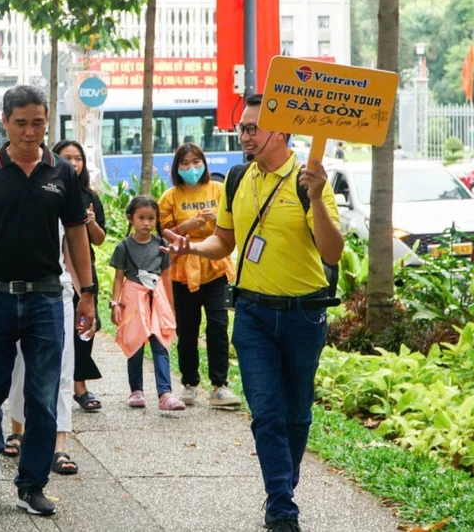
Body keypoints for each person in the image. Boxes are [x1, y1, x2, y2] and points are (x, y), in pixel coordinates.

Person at [162, 94, 344, 532]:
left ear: (279, 131)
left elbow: (332, 251)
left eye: (251, 128)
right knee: (266, 411)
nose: (243, 135)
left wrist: (317, 198)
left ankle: (283, 484)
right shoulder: (239, 178)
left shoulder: (310, 180)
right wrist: (193, 247)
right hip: (253, 315)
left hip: (304, 315)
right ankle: (281, 504)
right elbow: (224, 241)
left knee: (297, 413)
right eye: (241, 128)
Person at [0, 85, 96, 517]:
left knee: (42, 397)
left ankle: (31, 483)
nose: (30, 132)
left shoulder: (61, 173)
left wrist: (88, 294)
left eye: (38, 123)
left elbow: (78, 235)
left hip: (47, 297)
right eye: (21, 123)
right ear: (5, 123)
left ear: (47, 122)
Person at [157, 143, 238, 408]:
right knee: (188, 329)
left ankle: (219, 386)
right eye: (185, 163)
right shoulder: (169, 197)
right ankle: (190, 383)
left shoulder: (218, 190)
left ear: (204, 163)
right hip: (183, 271)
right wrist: (186, 226)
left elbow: (234, 222)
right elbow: (163, 234)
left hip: (215, 266)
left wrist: (216, 218)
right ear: (176, 167)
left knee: (218, 324)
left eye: (196, 162)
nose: (192, 168)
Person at [3, 219, 83, 475]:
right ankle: (18, 428)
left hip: (58, 292)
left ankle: (58, 445)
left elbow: (71, 255)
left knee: (62, 369)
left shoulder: (62, 193)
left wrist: (87, 298)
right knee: (20, 367)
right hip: (16, 292)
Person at [111, 196, 183, 411]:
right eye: (141, 218)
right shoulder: (123, 247)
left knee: (160, 344)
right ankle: (136, 390)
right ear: (130, 218)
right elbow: (118, 277)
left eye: (151, 218)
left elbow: (167, 276)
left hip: (157, 298)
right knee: (135, 345)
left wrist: (170, 306)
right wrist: (116, 303)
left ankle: (165, 393)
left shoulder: (162, 245)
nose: (146, 223)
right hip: (133, 299)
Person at [51, 140, 107, 412]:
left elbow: (99, 239)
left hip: (85, 273)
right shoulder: (48, 191)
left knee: (84, 329)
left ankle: (80, 387)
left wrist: (90, 221)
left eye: (78, 158)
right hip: (54, 270)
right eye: (67, 158)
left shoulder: (89, 196)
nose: (73, 163)